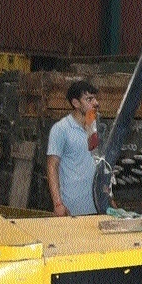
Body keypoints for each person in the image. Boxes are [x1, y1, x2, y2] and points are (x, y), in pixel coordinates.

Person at [47, 79, 100, 216]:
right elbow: (52, 166)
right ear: (76, 103)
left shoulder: (94, 128)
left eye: (95, 98)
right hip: (72, 209)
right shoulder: (61, 129)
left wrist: (108, 200)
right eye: (89, 99)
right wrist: (58, 204)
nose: (95, 103)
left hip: (96, 206)